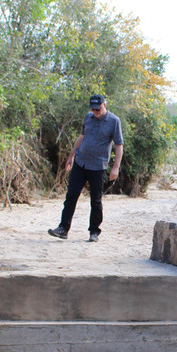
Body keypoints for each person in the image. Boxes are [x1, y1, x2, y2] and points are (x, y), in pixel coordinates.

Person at [48, 94, 123, 243]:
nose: (95, 112)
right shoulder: (88, 117)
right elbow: (82, 137)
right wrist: (71, 155)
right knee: (71, 196)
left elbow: (118, 145)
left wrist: (116, 168)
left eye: (98, 108)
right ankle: (63, 228)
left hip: (98, 166)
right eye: (93, 109)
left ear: (104, 105)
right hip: (81, 162)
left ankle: (94, 231)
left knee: (95, 200)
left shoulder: (114, 121)